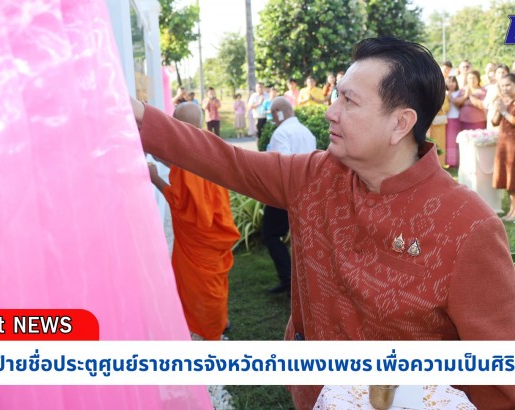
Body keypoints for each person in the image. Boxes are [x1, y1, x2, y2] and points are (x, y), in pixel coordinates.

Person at [132, 36, 515, 410]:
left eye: (349, 101)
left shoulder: (467, 227)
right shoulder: (317, 176)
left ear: (401, 123)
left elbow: (500, 366)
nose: (332, 111)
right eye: (337, 96)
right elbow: (226, 160)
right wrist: (137, 116)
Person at [146, 102, 240, 341]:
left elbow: (183, 207)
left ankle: (207, 334)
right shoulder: (210, 145)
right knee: (212, 289)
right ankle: (215, 325)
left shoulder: (189, 152)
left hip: (201, 239)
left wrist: (156, 179)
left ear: (180, 124)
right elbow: (180, 165)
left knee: (202, 293)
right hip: (214, 237)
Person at [263, 97, 316, 294]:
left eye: (272, 113)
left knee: (270, 234)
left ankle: (288, 278)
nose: (272, 118)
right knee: (299, 238)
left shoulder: (281, 133)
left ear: (278, 112)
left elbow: (281, 166)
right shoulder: (305, 132)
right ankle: (302, 280)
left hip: (284, 194)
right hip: (307, 192)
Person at [492, 73, 515, 220]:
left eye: (508, 85)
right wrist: (498, 109)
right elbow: (494, 122)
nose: (505, 89)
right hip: (503, 145)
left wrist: (505, 111)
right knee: (508, 177)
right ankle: (512, 211)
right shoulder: (503, 101)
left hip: (513, 145)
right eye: (502, 86)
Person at [445, 76, 461, 167]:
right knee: (450, 141)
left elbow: (460, 105)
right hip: (448, 119)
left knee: (456, 141)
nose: (451, 84)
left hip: (458, 118)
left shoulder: (459, 92)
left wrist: (451, 98)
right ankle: (451, 162)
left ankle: (458, 161)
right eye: (449, 82)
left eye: (453, 82)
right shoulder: (444, 93)